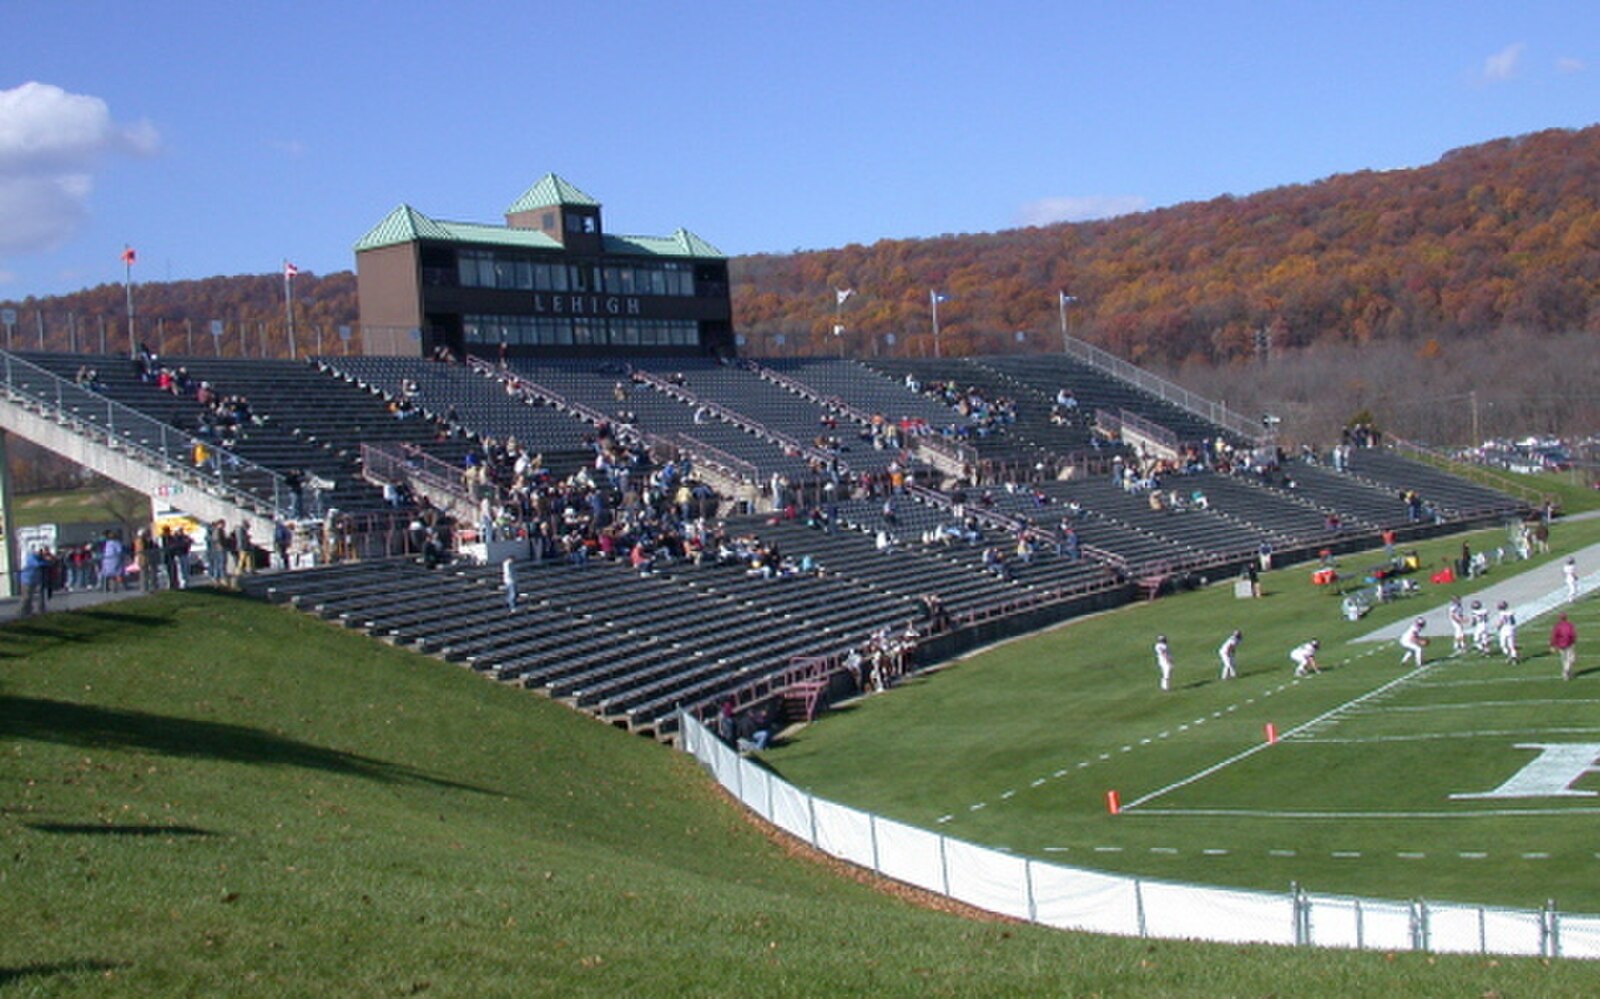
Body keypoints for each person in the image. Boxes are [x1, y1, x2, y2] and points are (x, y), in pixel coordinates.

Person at [1550, 612, 1578, 681]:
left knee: (1565, 659)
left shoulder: (1557, 626)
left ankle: (1568, 673)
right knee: (1571, 659)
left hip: (1560, 645)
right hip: (1568, 644)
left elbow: (1554, 636)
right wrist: (1573, 641)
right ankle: (1566, 671)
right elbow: (1573, 634)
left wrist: (1553, 645)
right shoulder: (1569, 625)